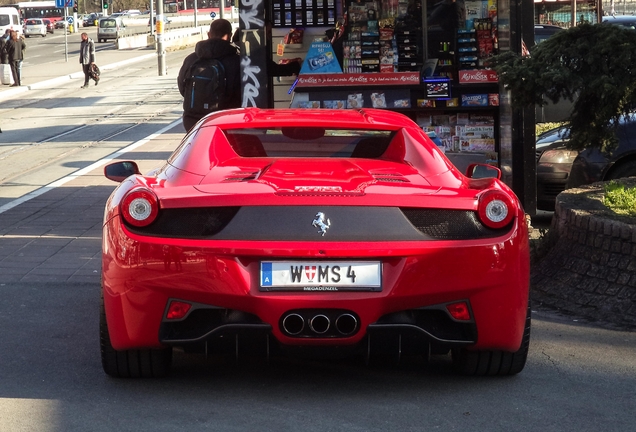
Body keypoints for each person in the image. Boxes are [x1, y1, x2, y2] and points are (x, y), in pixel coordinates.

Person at [177, 19, 241, 132]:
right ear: (230, 35)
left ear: (209, 34)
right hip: (224, 118)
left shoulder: (191, 59)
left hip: (192, 120)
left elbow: (183, 88)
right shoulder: (236, 61)